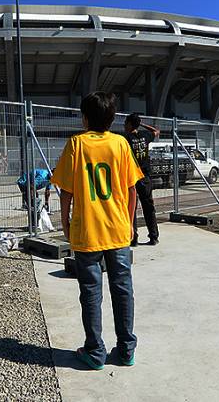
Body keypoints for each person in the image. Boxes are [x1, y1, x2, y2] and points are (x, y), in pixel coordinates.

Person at [52, 91, 143, 370]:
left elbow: (65, 191)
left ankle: (94, 351)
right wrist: (128, 223)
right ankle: (126, 349)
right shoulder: (120, 144)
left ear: (85, 118)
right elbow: (132, 191)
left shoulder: (76, 144)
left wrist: (65, 223)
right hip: (117, 229)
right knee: (123, 288)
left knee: (91, 291)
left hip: (87, 230)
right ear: (113, 118)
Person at [121, 113, 160, 246]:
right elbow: (156, 131)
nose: (124, 125)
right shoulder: (145, 136)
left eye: (126, 123)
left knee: (131, 207)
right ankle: (154, 237)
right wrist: (141, 124)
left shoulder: (125, 138)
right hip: (146, 177)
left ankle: (133, 238)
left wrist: (138, 123)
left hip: (132, 177)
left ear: (130, 124)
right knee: (149, 208)